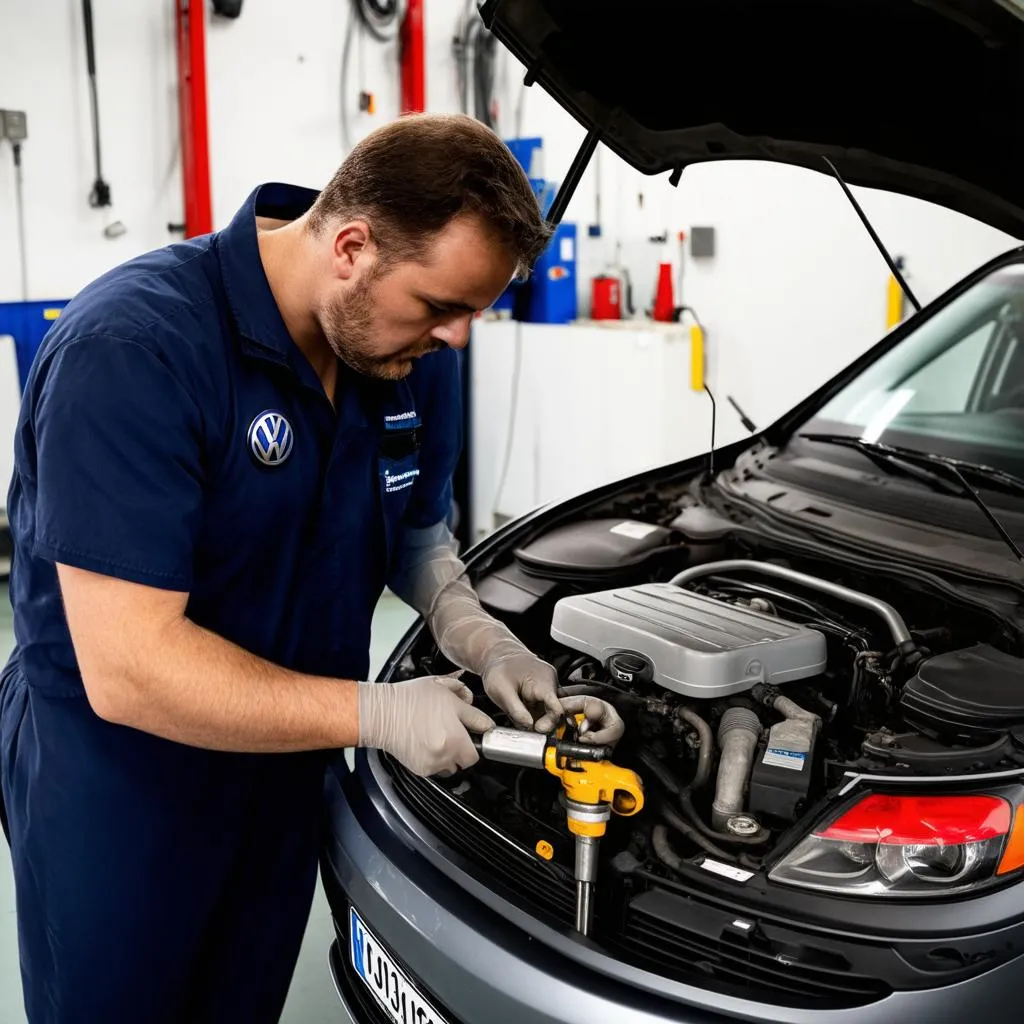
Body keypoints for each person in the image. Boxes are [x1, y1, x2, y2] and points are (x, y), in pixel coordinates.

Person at [0, 112, 622, 1024]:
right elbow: (129, 670)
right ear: (351, 247)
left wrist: (484, 642)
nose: (455, 338)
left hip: (287, 759)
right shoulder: (134, 351)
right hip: (123, 782)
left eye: (472, 313)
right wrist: (377, 713)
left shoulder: (410, 356)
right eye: (440, 306)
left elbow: (418, 536)